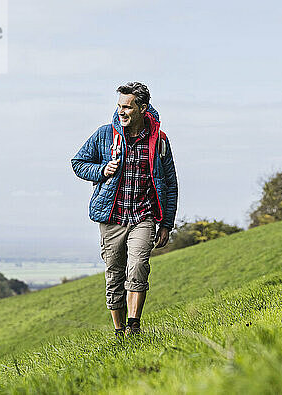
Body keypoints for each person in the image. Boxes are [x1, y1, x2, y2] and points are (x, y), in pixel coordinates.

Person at [71, 82, 178, 336]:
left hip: (144, 216)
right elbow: (78, 163)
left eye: (127, 107)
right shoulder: (104, 135)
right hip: (112, 217)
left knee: (139, 265)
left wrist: (166, 223)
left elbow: (170, 184)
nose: (122, 111)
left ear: (142, 108)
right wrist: (101, 170)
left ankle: (134, 326)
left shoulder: (159, 140)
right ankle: (120, 332)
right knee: (114, 275)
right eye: (119, 106)